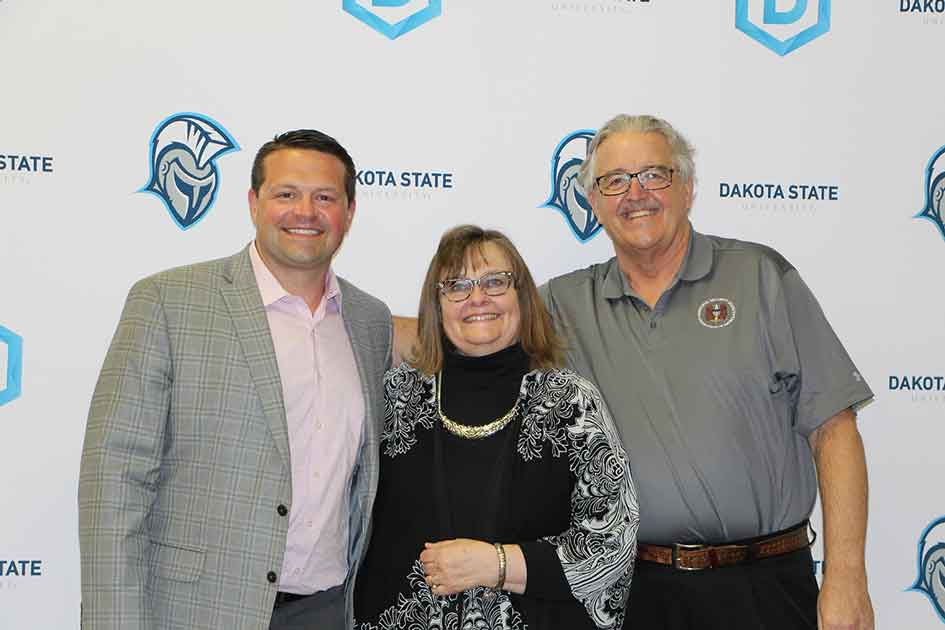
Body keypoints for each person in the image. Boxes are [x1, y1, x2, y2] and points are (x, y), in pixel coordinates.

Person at [539, 114, 875, 630]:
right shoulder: (562, 305)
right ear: (592, 202)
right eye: (614, 181)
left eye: (654, 174)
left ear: (688, 187)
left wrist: (847, 576)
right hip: (628, 596)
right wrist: (371, 327)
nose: (636, 194)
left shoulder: (761, 277)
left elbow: (835, 430)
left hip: (763, 589)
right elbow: (461, 335)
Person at [79, 129, 392, 630]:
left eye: (325, 197)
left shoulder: (370, 321)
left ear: (349, 213)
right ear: (253, 202)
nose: (305, 212)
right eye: (286, 194)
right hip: (195, 610)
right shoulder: (168, 301)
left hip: (326, 610)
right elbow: (114, 478)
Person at [355, 225, 638, 630]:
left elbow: (611, 541)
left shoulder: (568, 403)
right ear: (436, 304)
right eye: (457, 285)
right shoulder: (396, 400)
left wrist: (496, 564)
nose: (477, 298)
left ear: (522, 296)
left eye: (495, 282)